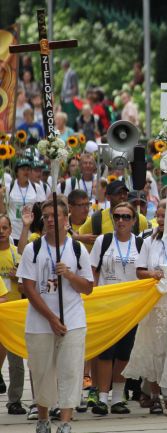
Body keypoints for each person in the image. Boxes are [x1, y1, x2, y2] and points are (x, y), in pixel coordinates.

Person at [17, 197, 94, 433]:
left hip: (72, 318)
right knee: (42, 372)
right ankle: (43, 417)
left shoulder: (77, 249)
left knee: (71, 370)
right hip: (40, 322)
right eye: (46, 217)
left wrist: (69, 276)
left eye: (55, 216)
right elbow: (27, 287)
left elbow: (88, 287)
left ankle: (66, 421)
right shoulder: (34, 248)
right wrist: (51, 318)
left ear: (66, 217)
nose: (50, 220)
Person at [122, 200, 167, 415]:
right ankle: (154, 396)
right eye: (158, 216)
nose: (160, 220)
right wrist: (153, 274)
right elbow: (140, 270)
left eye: (164, 216)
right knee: (156, 350)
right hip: (155, 304)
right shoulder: (150, 241)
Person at [88, 202, 142, 416]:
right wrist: (92, 296)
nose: (121, 220)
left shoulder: (140, 243)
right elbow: (92, 270)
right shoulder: (104, 241)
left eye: (126, 217)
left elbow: (144, 271)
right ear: (112, 218)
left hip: (130, 307)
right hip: (106, 306)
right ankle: (102, 398)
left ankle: (118, 398)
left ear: (134, 221)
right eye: (117, 216)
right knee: (104, 353)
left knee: (123, 353)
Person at [0, 214, 25, 415]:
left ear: (10, 230)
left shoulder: (18, 254)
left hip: (14, 313)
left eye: (4, 228)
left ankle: (15, 399)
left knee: (16, 359)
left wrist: (19, 276)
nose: (1, 232)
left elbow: (28, 284)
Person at [0, 158, 46, 243]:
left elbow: (43, 210)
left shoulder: (36, 187)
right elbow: (3, 212)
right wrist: (0, 198)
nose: (26, 172)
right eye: (23, 169)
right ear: (17, 172)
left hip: (31, 233)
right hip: (13, 233)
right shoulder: (9, 187)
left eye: (28, 169)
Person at [78, 180, 148, 236]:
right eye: (118, 193)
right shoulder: (98, 218)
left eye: (125, 193)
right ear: (108, 197)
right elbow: (77, 235)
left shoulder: (139, 219)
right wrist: (82, 239)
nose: (122, 196)